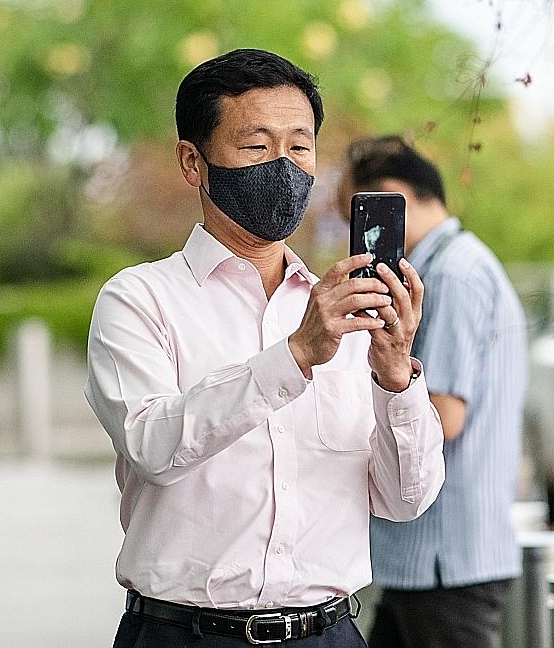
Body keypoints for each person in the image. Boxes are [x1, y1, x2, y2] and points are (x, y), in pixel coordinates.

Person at [86, 50, 445, 648]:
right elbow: (152, 446)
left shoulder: (350, 307)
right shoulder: (139, 299)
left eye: (300, 147)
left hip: (328, 633)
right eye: (257, 146)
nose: (283, 165)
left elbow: (406, 501)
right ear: (192, 161)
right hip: (184, 634)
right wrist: (298, 352)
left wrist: (395, 379)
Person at [343, 137, 528, 648]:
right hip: (434, 557)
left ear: (394, 196)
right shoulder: (460, 263)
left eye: (357, 217)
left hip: (445, 556)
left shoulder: (450, 274)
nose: (354, 239)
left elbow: (445, 416)